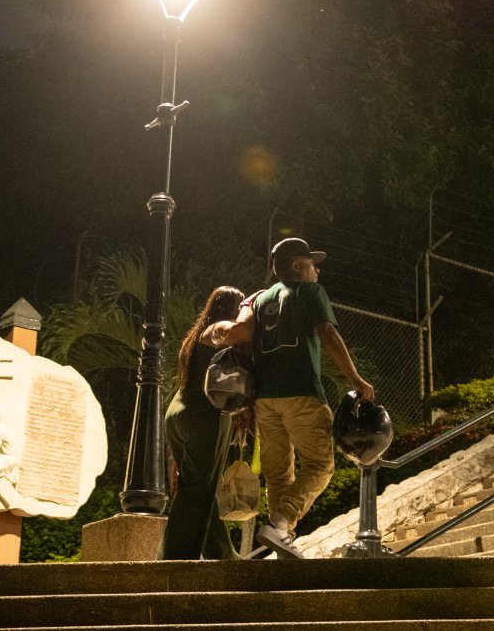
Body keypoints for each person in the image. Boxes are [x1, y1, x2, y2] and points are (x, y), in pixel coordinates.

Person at [238, 237, 375, 558]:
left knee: (278, 476)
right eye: (313, 265)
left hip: (265, 400)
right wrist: (354, 378)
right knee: (320, 465)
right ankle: (281, 522)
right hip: (301, 392)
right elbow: (328, 332)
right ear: (298, 266)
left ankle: (281, 537)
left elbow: (248, 346)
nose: (317, 272)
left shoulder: (260, 300)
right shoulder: (309, 291)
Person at [158, 285, 247, 560]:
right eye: (240, 307)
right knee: (196, 489)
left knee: (202, 486)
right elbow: (239, 333)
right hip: (203, 416)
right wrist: (252, 315)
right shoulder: (218, 328)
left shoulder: (194, 337)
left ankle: (220, 552)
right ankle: (175, 558)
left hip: (179, 410)